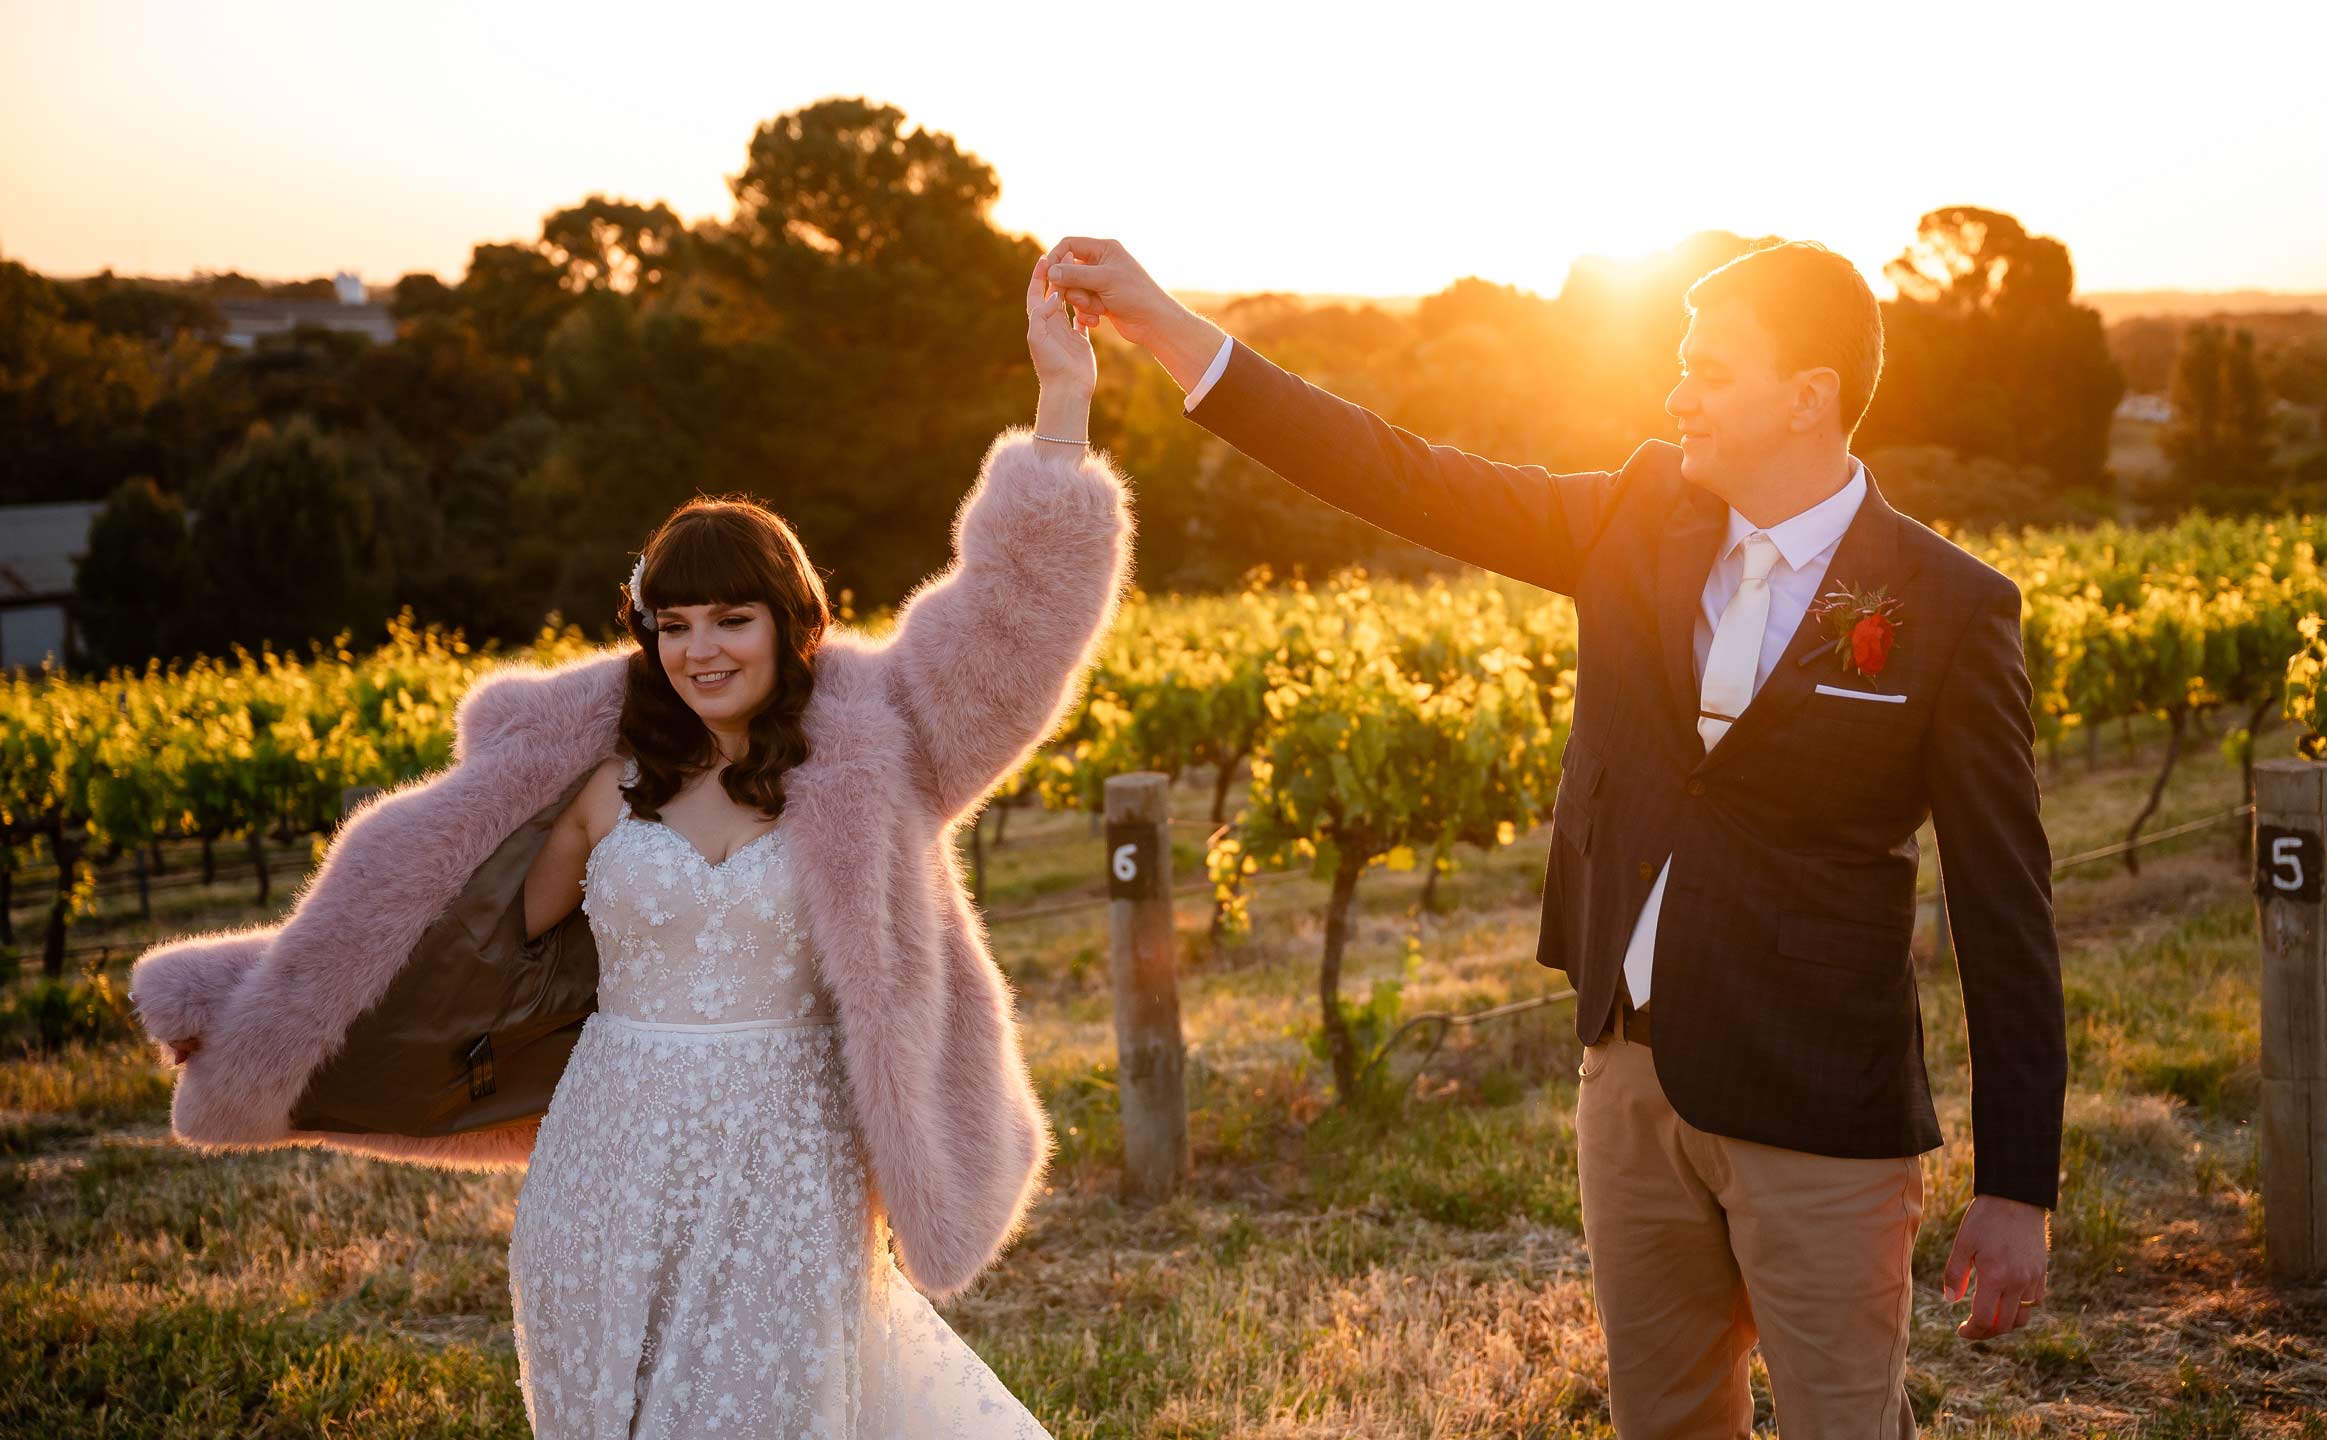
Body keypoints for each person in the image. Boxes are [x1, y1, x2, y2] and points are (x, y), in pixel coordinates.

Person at [1043, 236, 2064, 1438]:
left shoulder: (1949, 606)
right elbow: (1398, 472)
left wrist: (2013, 1189)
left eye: (1711, 369)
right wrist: (1166, 328)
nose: (1678, 391)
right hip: (1628, 1083)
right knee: (1662, 1423)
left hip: (1820, 1109)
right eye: (1678, 363)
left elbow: (2006, 914)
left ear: (1809, 397)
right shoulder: (1632, 516)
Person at [135, 260, 1127, 1438]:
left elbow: (1014, 622)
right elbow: (458, 937)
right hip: (605, 1159)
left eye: (731, 619)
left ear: (794, 623)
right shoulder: (597, 781)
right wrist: (254, 1008)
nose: (700, 651)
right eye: (673, 624)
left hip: (788, 1165)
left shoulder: (879, 752)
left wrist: (1061, 400)